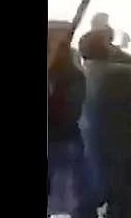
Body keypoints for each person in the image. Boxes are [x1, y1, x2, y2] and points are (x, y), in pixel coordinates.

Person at [79, 30, 131, 218]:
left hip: (90, 148)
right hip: (121, 147)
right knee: (126, 202)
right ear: (103, 49)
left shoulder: (81, 75)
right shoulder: (120, 74)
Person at [47, 21, 92, 218]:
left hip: (62, 138)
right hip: (65, 138)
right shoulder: (72, 75)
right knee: (74, 193)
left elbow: (70, 111)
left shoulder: (70, 76)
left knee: (73, 193)